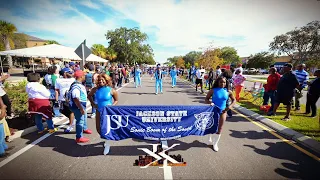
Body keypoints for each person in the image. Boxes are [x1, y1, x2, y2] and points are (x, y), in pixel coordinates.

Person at [88, 74, 118, 154]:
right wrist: (93, 104)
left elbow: (116, 100)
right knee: (98, 128)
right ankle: (106, 139)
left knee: (106, 128)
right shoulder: (95, 89)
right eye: (99, 80)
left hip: (108, 112)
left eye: (103, 80)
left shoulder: (111, 90)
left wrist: (111, 106)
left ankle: (107, 143)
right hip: (99, 110)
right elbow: (89, 96)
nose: (101, 81)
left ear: (106, 81)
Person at [205, 77, 236, 151]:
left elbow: (234, 100)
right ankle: (210, 138)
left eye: (224, 82)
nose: (223, 84)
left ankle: (215, 144)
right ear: (217, 82)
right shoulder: (213, 90)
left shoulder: (228, 91)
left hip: (223, 112)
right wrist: (210, 102)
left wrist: (230, 107)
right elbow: (206, 99)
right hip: (213, 111)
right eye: (221, 82)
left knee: (220, 128)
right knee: (211, 126)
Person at [67, 70, 92, 143]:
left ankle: (84, 128)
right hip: (78, 106)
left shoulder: (78, 84)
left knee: (84, 117)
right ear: (81, 77)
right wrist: (81, 108)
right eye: (84, 76)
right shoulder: (76, 86)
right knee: (80, 121)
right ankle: (79, 137)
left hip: (81, 105)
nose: (85, 77)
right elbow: (75, 98)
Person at [55, 68, 75, 133]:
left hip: (71, 98)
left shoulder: (73, 79)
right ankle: (71, 120)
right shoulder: (58, 80)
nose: (71, 73)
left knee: (71, 111)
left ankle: (71, 125)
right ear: (64, 73)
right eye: (69, 72)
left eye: (71, 72)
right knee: (62, 110)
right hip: (62, 99)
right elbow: (57, 90)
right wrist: (56, 100)